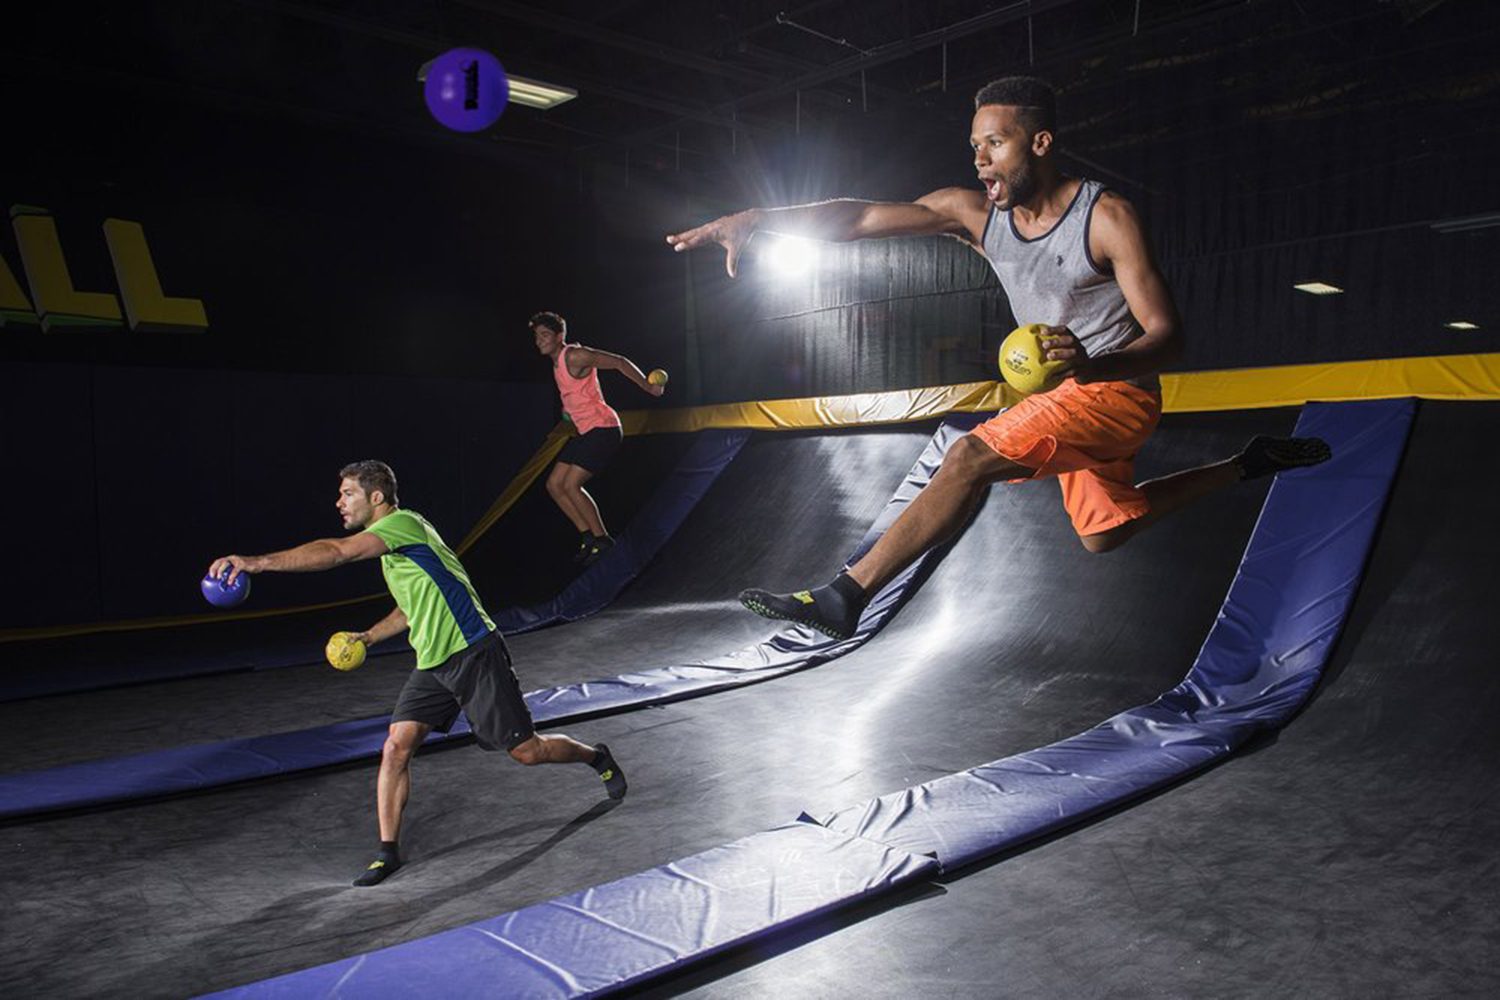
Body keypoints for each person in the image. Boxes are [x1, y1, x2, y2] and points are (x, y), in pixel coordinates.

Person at [665, 76, 1330, 641]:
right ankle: (1250, 463)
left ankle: (844, 597)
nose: (982, 161)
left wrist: (1091, 368)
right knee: (1105, 532)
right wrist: (759, 218)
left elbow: (1169, 337)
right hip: (1061, 397)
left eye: (997, 143)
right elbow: (861, 218)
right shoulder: (974, 217)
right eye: (976, 146)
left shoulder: (1107, 217)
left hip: (1115, 393)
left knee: (967, 457)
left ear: (1040, 143)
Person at [207, 460, 627, 887]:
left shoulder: (403, 525)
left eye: (347, 493)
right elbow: (411, 609)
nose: (338, 502)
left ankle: (596, 757)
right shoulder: (396, 552)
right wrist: (369, 636)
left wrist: (255, 563)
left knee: (527, 752)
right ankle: (387, 852)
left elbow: (336, 552)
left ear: (377, 497)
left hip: (473, 652)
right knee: (395, 747)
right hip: (433, 663)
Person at [530, 310, 665, 566]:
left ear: (560, 336)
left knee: (571, 485)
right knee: (554, 484)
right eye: (537, 336)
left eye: (545, 335)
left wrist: (648, 386)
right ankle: (588, 538)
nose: (540, 341)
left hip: (604, 429)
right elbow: (577, 391)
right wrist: (568, 409)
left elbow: (619, 361)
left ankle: (603, 540)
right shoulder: (557, 362)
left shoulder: (576, 355)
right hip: (586, 431)